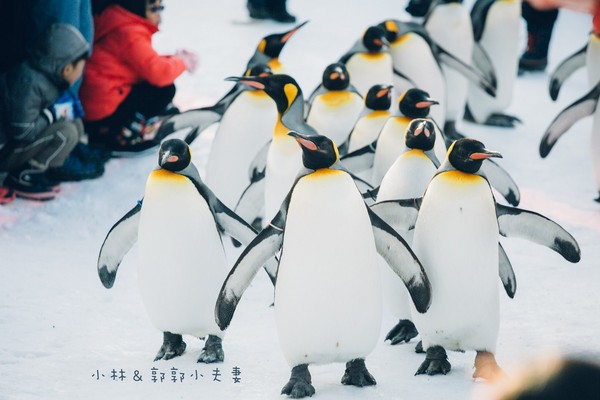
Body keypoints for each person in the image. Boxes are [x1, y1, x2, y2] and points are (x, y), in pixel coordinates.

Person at [79, 0, 198, 154]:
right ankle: (118, 135)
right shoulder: (129, 31)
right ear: (138, 8)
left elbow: (145, 63)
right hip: (103, 112)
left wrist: (173, 59)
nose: (159, 15)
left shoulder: (117, 21)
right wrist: (183, 62)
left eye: (160, 7)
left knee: (153, 85)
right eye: (154, 8)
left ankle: (118, 128)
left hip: (96, 104)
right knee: (163, 90)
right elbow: (159, 73)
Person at [0, 23, 90, 202]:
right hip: (5, 150)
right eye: (80, 69)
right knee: (66, 132)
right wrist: (51, 115)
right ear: (66, 69)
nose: (81, 74)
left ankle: (50, 166)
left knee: (75, 123)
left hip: (16, 144)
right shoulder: (28, 83)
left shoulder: (48, 77)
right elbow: (22, 130)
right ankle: (24, 175)